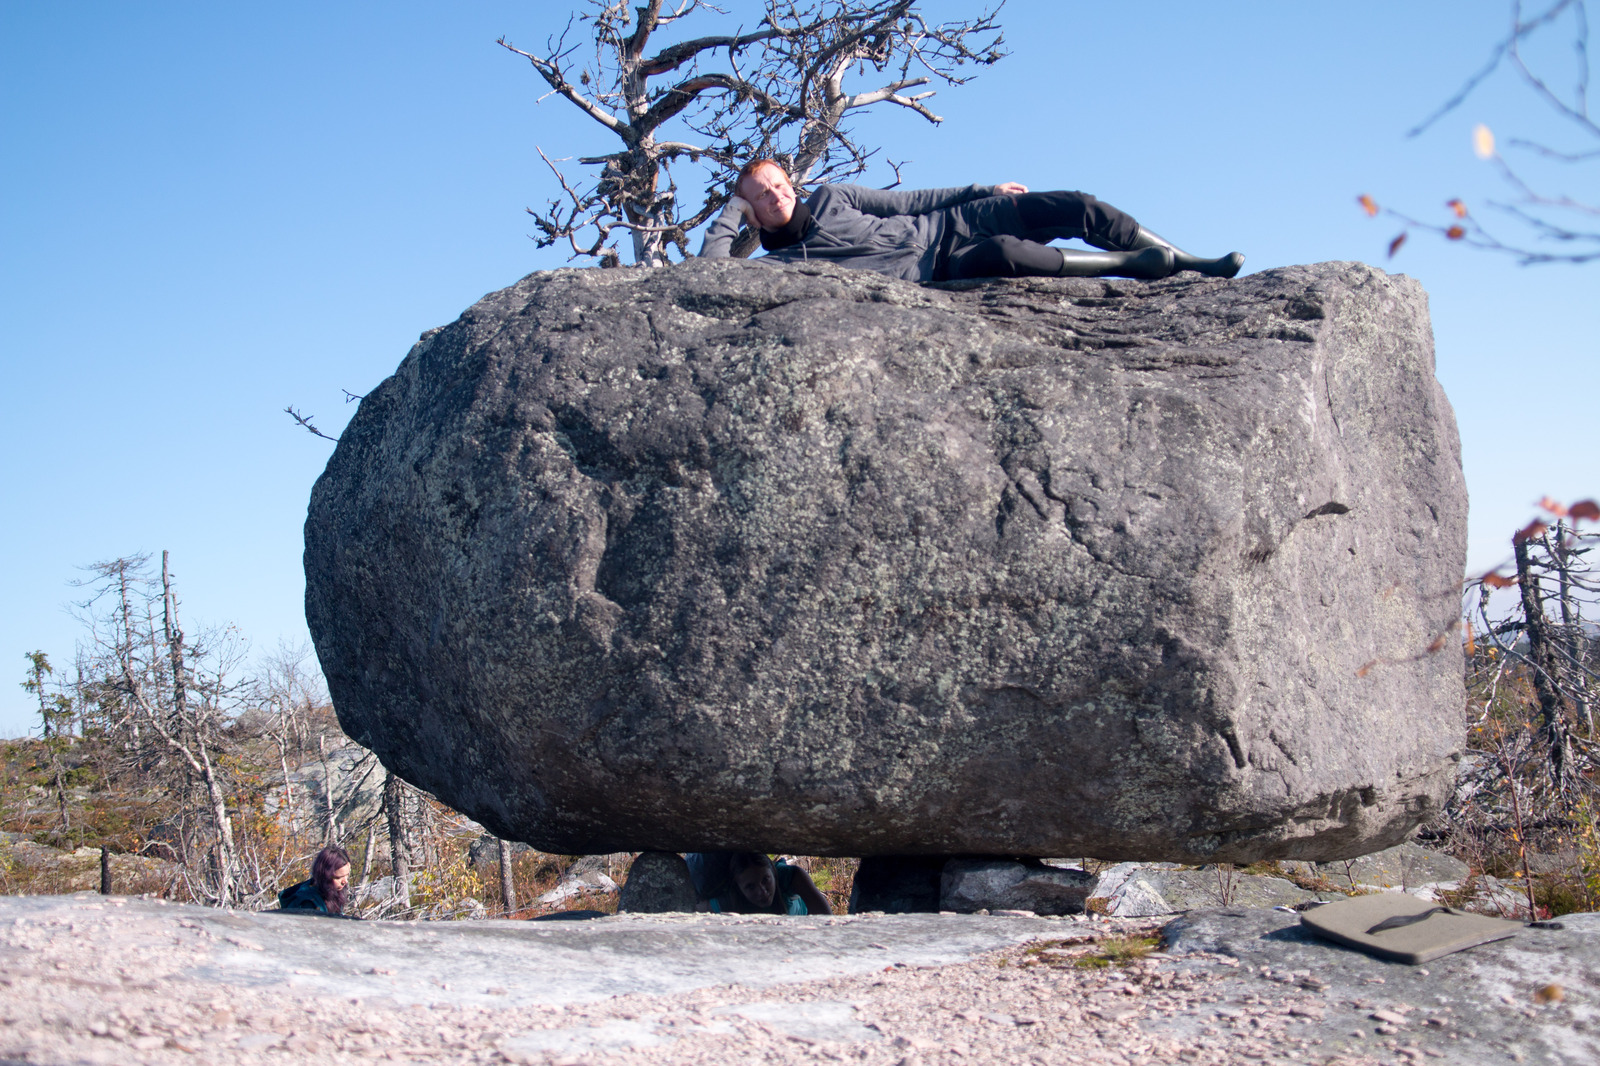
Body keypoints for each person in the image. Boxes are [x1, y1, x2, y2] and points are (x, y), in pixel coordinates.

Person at [699, 158, 1243, 282]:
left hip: (955, 220)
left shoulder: (835, 196)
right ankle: (1137, 265)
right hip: (944, 266)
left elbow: (911, 202)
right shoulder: (782, 266)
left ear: (790, 183)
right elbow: (709, 273)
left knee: (1077, 205)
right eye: (759, 198)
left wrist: (983, 190)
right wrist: (732, 213)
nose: (774, 197)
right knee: (1007, 256)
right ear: (753, 214)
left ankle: (1189, 263)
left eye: (777, 185)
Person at [704, 852, 833, 916]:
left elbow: (825, 917)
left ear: (773, 872)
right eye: (750, 886)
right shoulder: (730, 899)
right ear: (738, 887)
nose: (762, 891)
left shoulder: (791, 877)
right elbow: (696, 909)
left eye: (765, 880)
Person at [278, 845, 355, 916]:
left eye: (347, 875)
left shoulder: (332, 893)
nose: (345, 881)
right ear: (325, 876)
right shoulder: (307, 903)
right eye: (338, 877)